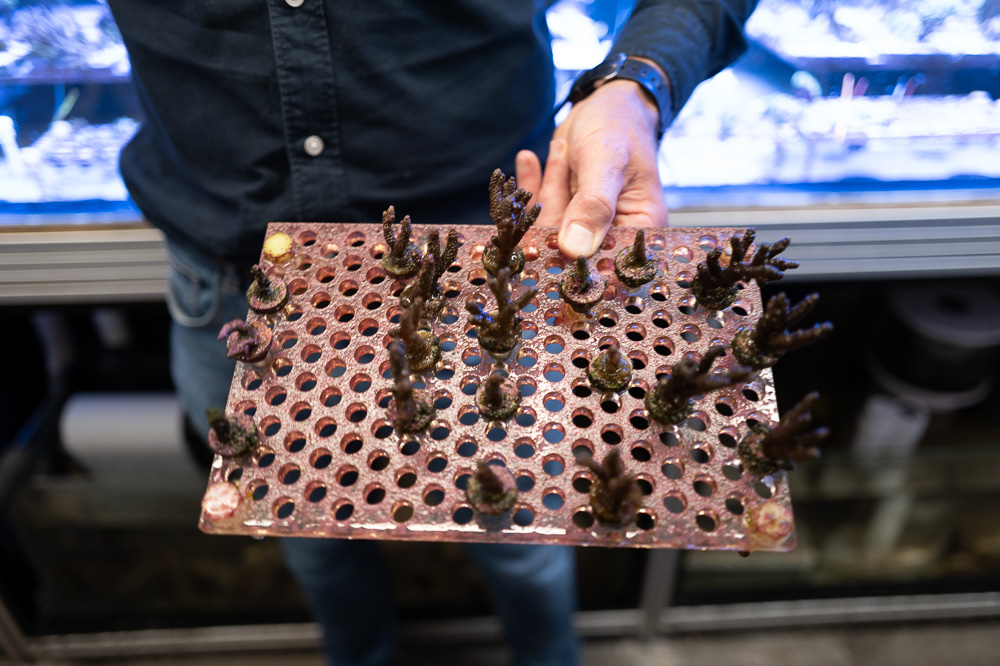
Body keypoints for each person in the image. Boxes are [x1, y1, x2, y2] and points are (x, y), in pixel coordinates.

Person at [107, 2, 757, 664]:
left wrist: (637, 81)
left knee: (522, 526)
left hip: (486, 268)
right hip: (235, 279)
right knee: (308, 528)